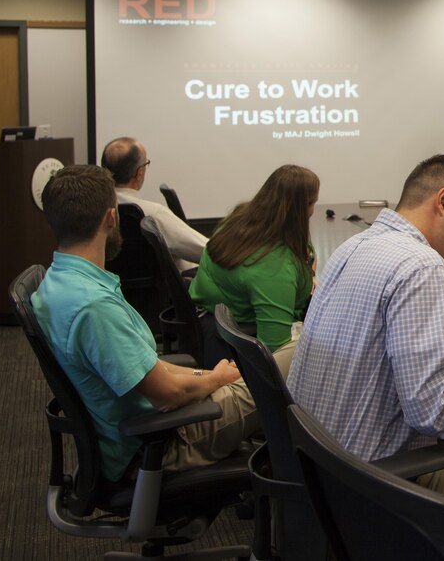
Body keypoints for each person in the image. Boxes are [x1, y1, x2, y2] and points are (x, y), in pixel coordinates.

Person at [287, 154, 444, 526]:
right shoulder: (421, 266)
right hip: (376, 486)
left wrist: (437, 354)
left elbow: (362, 338)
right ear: (442, 201)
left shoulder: (354, 246)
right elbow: (435, 412)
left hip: (318, 468)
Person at [31, 165, 268, 482]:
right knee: (291, 366)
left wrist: (211, 375)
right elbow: (167, 394)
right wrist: (217, 379)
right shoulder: (94, 306)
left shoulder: (58, 284)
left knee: (282, 363)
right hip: (163, 442)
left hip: (144, 429)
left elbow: (148, 369)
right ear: (111, 218)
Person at [189, 165, 318, 357]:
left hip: (209, 322)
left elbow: (305, 248)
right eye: (312, 203)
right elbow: (275, 349)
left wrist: (308, 270)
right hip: (235, 349)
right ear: (300, 211)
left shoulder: (240, 219)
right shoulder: (275, 268)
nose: (314, 210)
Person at [101, 137, 208, 271]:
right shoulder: (153, 214)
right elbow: (206, 251)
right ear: (139, 173)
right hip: (171, 288)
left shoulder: (94, 209)